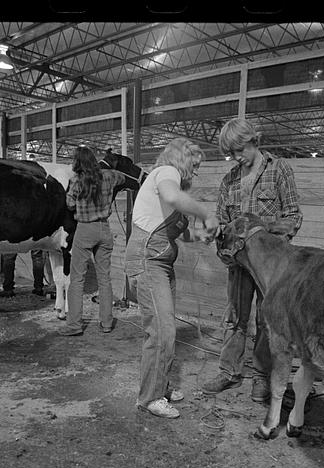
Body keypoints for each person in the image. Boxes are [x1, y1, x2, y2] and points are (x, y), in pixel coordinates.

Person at [202, 118, 303, 403]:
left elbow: (294, 216)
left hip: (271, 263)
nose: (236, 158)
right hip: (239, 263)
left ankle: (261, 376)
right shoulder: (230, 180)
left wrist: (259, 228)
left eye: (240, 150)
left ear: (253, 141)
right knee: (235, 317)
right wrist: (216, 231)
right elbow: (222, 219)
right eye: (231, 153)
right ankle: (228, 371)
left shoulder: (279, 169)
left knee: (266, 320)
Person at [124, 138, 219, 419]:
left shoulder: (172, 187)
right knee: (163, 330)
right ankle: (150, 398)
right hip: (149, 261)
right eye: (195, 165)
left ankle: (160, 385)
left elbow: (181, 231)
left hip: (161, 262)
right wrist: (206, 213)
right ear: (182, 159)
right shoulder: (166, 173)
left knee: (166, 328)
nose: (195, 172)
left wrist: (200, 235)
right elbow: (173, 197)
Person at [58, 146, 126, 336]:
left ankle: (74, 326)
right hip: (104, 228)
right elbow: (122, 177)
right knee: (104, 278)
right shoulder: (108, 176)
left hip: (85, 230)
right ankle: (106, 323)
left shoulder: (76, 180)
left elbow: (69, 204)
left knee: (77, 279)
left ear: (78, 162)